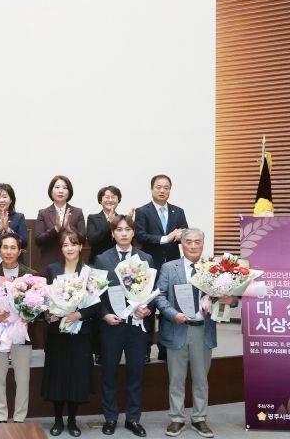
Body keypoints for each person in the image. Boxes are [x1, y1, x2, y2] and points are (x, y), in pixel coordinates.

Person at [155, 229, 235, 438]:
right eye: (188, 241)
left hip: (203, 331)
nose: (192, 246)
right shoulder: (169, 267)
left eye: (197, 242)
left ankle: (199, 418)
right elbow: (159, 296)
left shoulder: (215, 268)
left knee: (201, 379)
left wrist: (231, 299)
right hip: (177, 329)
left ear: (203, 244)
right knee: (176, 379)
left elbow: (230, 295)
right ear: (181, 244)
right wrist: (173, 314)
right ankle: (177, 418)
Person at [94, 215, 154, 437]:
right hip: (112, 326)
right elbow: (96, 294)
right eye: (119, 229)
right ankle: (110, 418)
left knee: (135, 373)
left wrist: (147, 309)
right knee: (109, 373)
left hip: (137, 326)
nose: (124, 233)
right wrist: (104, 315)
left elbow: (153, 292)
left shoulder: (145, 258)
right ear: (113, 233)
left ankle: (133, 419)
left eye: (128, 229)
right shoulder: (102, 259)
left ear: (133, 232)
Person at [43, 230, 97, 437]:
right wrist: (48, 315)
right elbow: (43, 299)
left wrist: (79, 314)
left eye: (73, 244)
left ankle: (72, 420)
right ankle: (57, 420)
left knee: (76, 376)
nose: (69, 248)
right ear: (61, 248)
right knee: (58, 376)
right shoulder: (52, 269)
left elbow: (97, 303)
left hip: (80, 332)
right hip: (57, 332)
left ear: (80, 246)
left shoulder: (89, 272)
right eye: (65, 244)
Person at [0, 232, 39, 423]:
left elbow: (39, 304)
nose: (8, 251)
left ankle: (20, 417)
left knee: (22, 379)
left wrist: (30, 316)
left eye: (13, 247)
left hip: (22, 333)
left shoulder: (31, 275)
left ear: (20, 251)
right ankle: (1, 417)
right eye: (5, 247)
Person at [135, 174, 189, 361]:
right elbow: (140, 236)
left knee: (169, 307)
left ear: (170, 190)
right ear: (152, 189)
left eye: (166, 187)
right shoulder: (143, 211)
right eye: (158, 187)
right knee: (148, 307)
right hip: (150, 266)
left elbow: (184, 235)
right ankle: (145, 350)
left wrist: (181, 236)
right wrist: (167, 238)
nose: (162, 190)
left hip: (173, 266)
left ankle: (166, 349)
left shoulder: (178, 211)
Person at [85, 185, 128, 366]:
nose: (110, 199)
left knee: (119, 305)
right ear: (100, 200)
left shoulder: (123, 219)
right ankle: (99, 351)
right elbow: (92, 240)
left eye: (113, 197)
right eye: (106, 197)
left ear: (118, 200)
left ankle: (120, 347)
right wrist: (108, 222)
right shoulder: (93, 218)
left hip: (121, 267)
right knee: (99, 307)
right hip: (98, 267)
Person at [34, 175, 85, 271]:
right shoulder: (43, 213)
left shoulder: (77, 212)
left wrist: (69, 229)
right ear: (51, 191)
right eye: (57, 187)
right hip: (49, 263)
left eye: (65, 188)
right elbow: (38, 240)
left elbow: (83, 239)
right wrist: (55, 229)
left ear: (69, 192)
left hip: (72, 264)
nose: (61, 191)